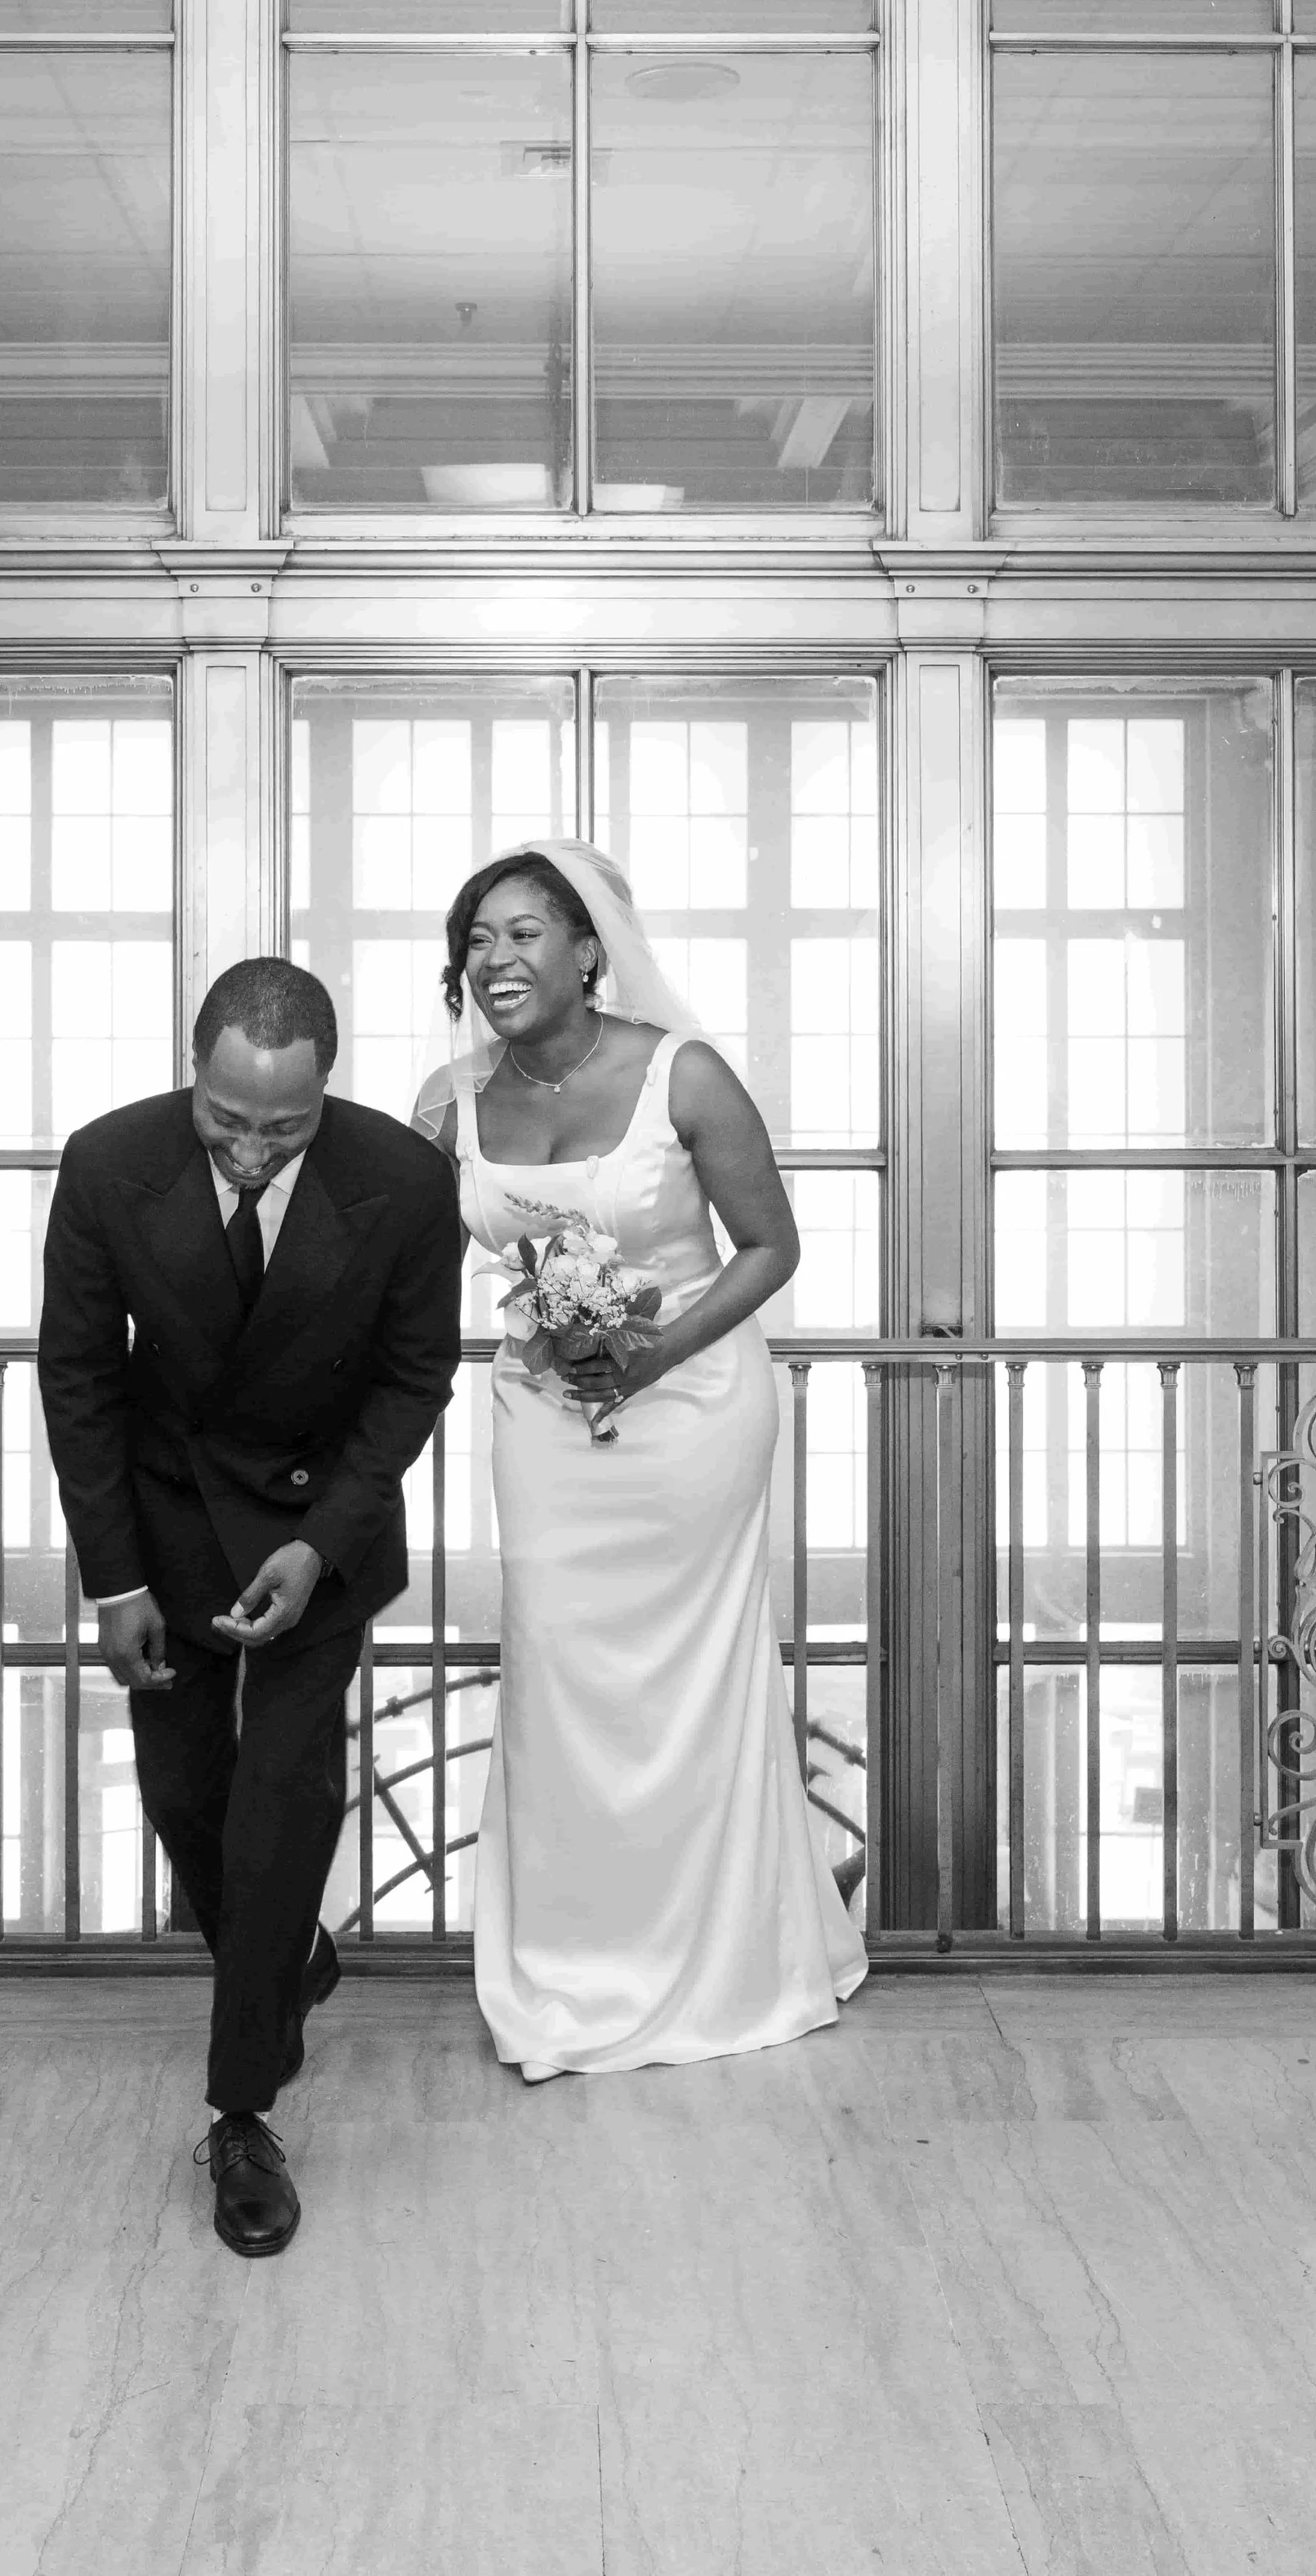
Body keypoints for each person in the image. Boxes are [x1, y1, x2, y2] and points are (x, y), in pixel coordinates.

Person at [414, 840, 867, 2078]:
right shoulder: (446, 1101)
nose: (494, 958)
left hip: (693, 1411)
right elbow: (395, 1260)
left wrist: (656, 1351)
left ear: (588, 949)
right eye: (477, 939)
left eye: (521, 933)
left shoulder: (687, 1074)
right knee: (561, 1680)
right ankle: (574, 1963)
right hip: (542, 1420)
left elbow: (769, 1249)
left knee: (693, 1684)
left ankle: (729, 1954)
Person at [39, 958, 463, 2254]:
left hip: (317, 1522)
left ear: (323, 1091)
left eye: (280, 1128)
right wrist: (114, 1580)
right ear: (194, 1067)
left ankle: (240, 2113)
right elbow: (79, 1378)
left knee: (284, 1793)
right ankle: (288, 1962)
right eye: (226, 1120)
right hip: (162, 1523)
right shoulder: (109, 1161)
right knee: (183, 1797)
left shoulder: (400, 1179)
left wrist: (321, 1545)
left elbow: (412, 1378)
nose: (247, 1149)